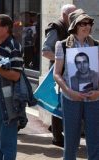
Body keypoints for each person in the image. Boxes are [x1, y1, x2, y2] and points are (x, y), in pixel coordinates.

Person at [53, 9, 99, 160]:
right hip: (71, 99)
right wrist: (69, 91)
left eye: (89, 23)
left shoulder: (96, 45)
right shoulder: (62, 45)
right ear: (74, 26)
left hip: (93, 99)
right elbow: (57, 74)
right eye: (82, 23)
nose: (87, 26)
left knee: (94, 140)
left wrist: (98, 93)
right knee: (71, 140)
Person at [0, 14, 24, 160]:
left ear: (6, 28)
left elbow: (16, 75)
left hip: (7, 99)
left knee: (7, 141)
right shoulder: (0, 46)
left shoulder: (13, 46)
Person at [42, 4, 76, 147]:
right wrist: (62, 61)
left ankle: (59, 130)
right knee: (58, 103)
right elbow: (45, 51)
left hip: (74, 71)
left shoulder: (74, 27)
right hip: (60, 72)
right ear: (64, 15)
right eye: (73, 15)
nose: (76, 18)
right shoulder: (56, 27)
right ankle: (57, 136)